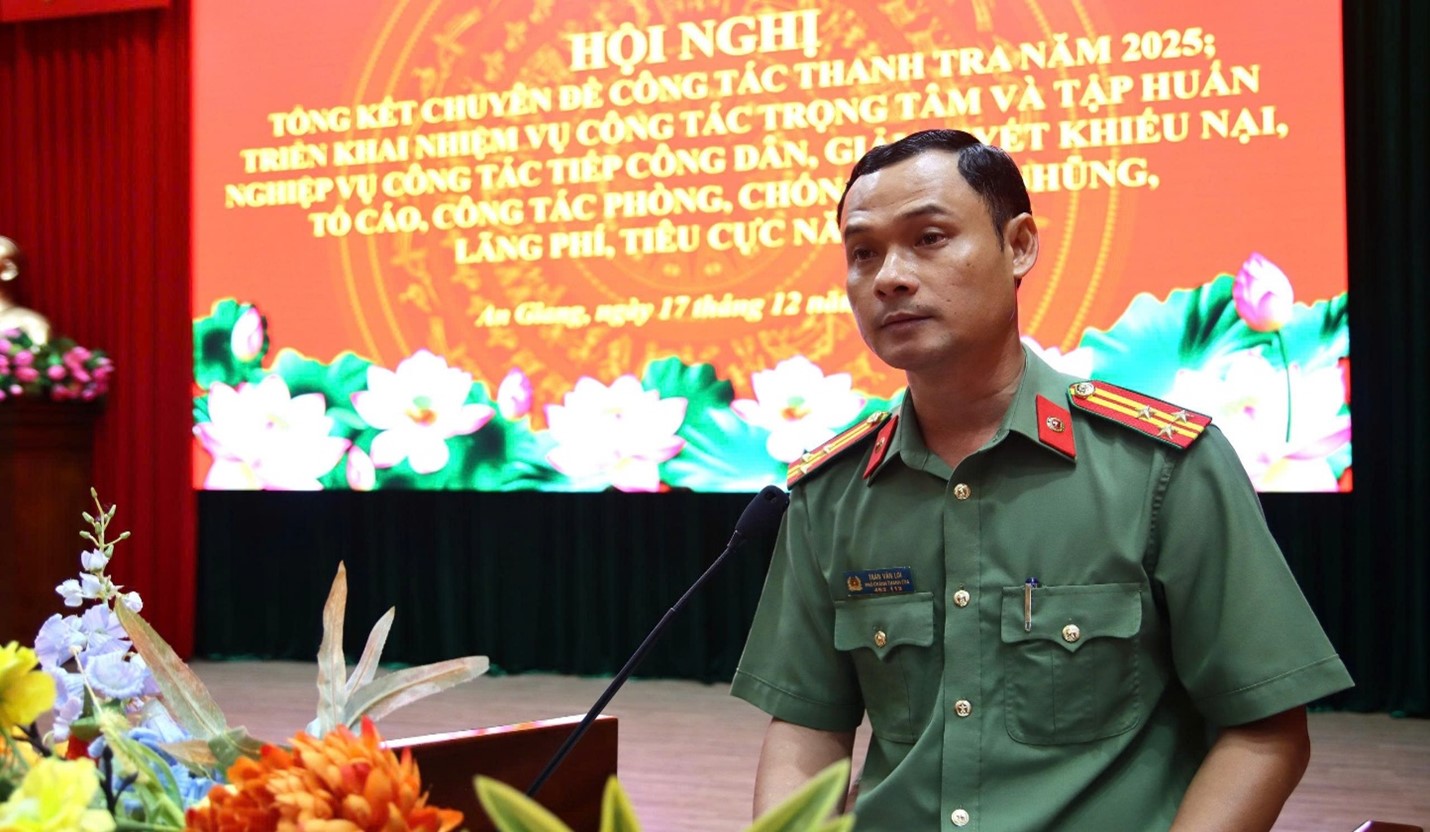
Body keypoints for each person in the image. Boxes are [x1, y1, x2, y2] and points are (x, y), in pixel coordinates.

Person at [729, 129, 1353, 831]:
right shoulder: (831, 493)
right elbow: (808, 727)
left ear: (1019, 245)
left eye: (929, 238)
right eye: (863, 253)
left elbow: (1265, 730)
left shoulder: (1161, 468)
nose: (889, 277)